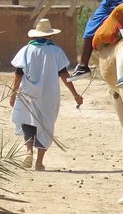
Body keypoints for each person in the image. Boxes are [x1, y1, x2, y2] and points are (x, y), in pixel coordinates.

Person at [10, 18, 84, 170]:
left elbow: (18, 73)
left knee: (27, 120)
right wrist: (75, 94)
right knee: (46, 125)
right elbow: (64, 75)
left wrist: (13, 93)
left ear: (35, 35)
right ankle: (39, 162)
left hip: (28, 92)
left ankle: (29, 151)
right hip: (49, 95)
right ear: (50, 36)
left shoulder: (26, 50)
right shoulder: (56, 51)